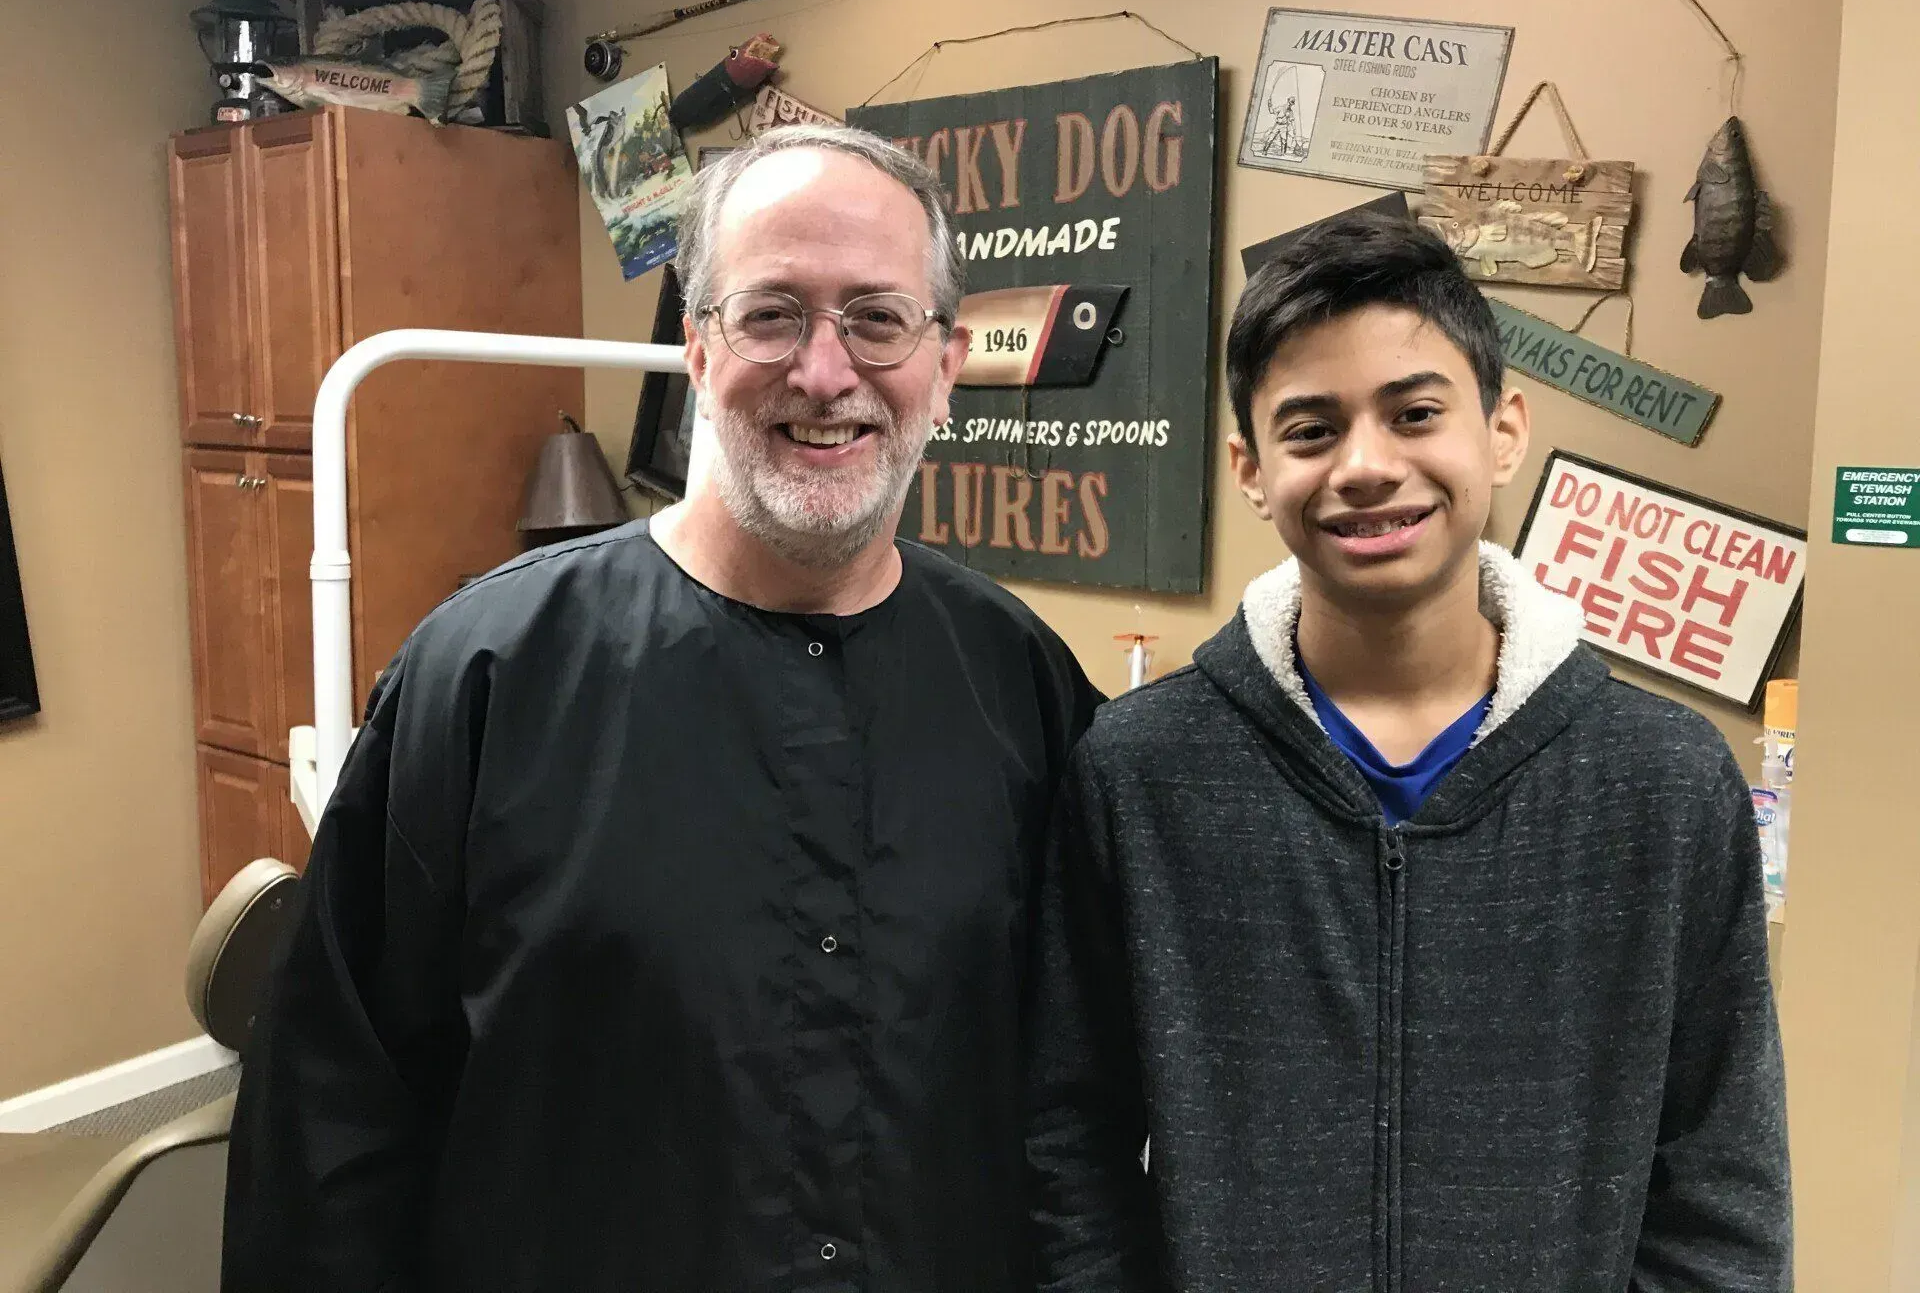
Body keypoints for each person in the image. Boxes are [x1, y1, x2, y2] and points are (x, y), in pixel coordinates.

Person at [224, 123, 1101, 1292]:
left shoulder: (1024, 685)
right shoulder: (487, 677)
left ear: (945, 364)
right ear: (696, 346)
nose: (826, 373)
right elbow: (331, 1129)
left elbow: (1078, 1105)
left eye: (878, 319)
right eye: (772, 313)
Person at [1026, 212, 1790, 1291]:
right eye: (1310, 430)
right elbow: (1070, 1148)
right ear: (1251, 468)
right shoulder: (1143, 774)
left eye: (1416, 413)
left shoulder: (1661, 781)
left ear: (1504, 429)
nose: (1368, 467)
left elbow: (1722, 1181)